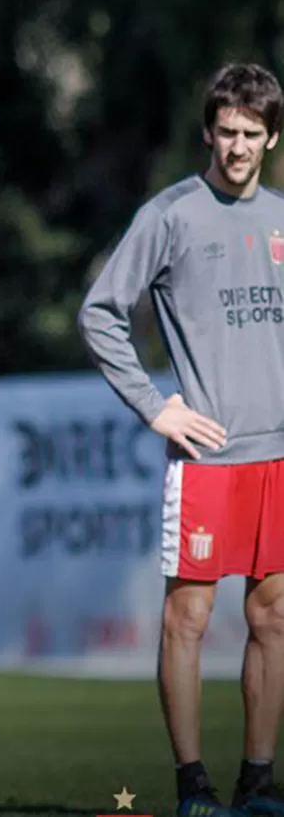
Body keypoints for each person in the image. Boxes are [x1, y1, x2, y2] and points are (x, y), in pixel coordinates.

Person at [79, 62, 284, 817]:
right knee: (188, 619)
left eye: (251, 134)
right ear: (208, 131)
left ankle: (257, 783)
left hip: (280, 456)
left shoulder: (282, 218)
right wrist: (154, 406)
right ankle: (192, 786)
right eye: (226, 131)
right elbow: (99, 313)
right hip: (207, 459)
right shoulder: (170, 214)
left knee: (274, 617)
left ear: (270, 138)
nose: (237, 147)